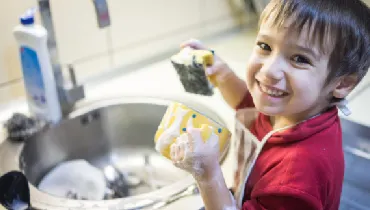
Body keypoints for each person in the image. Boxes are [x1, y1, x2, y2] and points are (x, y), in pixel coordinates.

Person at [169, 0, 370, 209]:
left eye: (299, 59)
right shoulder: (294, 108)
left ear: (342, 83)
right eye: (265, 46)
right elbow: (247, 104)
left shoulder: (296, 177)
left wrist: (208, 175)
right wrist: (223, 74)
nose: (268, 71)